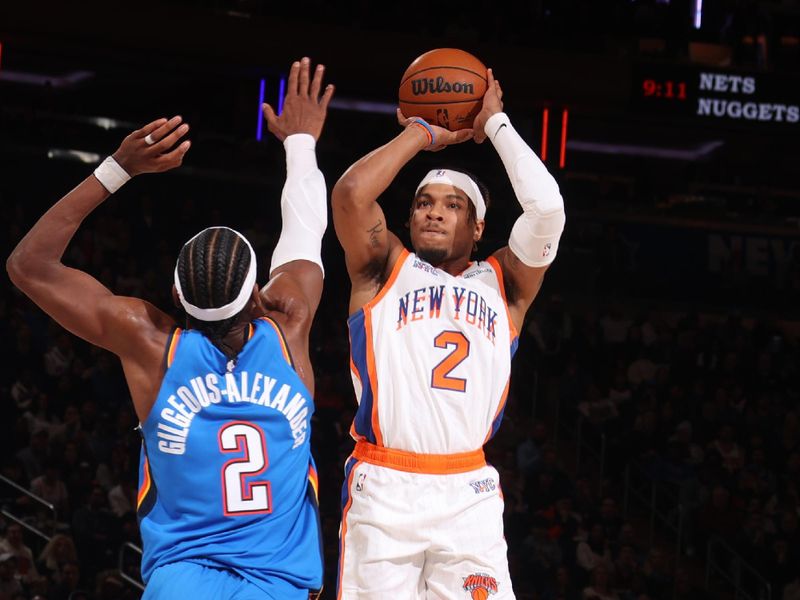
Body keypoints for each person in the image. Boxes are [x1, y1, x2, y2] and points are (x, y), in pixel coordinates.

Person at [7, 57, 334, 599]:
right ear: (257, 292)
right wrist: (300, 142)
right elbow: (305, 226)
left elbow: (28, 265)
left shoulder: (150, 342)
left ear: (176, 296)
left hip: (182, 583)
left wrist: (117, 167)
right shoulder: (289, 325)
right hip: (280, 585)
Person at [332, 67, 565, 598]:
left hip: (468, 490)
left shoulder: (505, 284)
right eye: (423, 203)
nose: (434, 213)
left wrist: (496, 125)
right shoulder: (383, 267)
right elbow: (350, 196)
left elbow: (548, 209)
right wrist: (421, 131)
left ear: (479, 227)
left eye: (452, 205)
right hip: (384, 484)